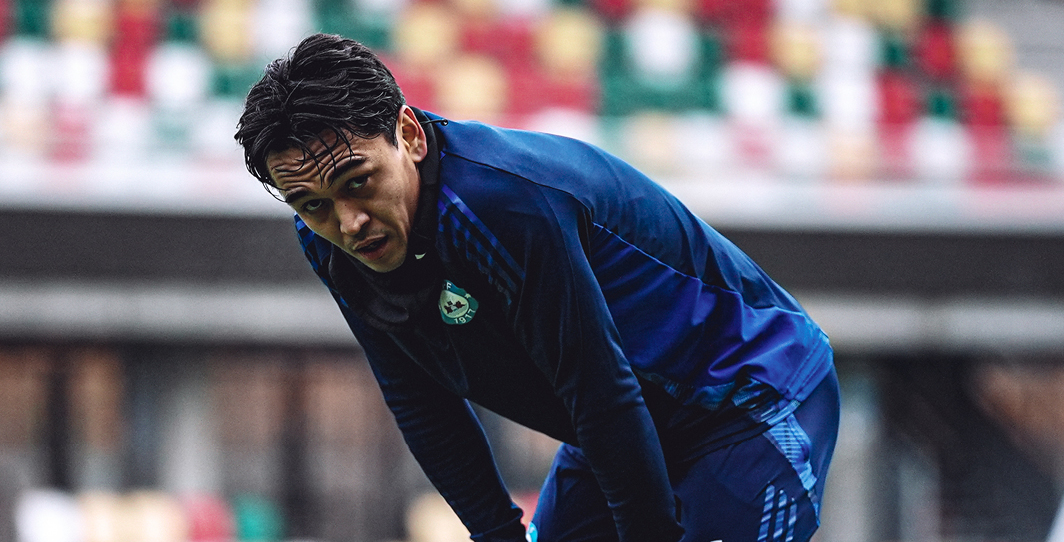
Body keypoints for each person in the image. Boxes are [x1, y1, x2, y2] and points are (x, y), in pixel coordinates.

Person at [235, 33, 839, 542]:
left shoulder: (505, 204)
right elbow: (419, 399)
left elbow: (598, 387)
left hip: (748, 403)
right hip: (617, 428)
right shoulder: (329, 241)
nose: (349, 223)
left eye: (358, 182)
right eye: (311, 204)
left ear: (410, 136)